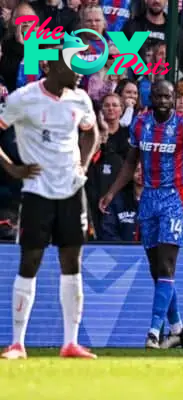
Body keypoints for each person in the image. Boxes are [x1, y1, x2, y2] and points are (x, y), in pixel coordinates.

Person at [99, 80, 183, 349]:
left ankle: (153, 331)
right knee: (157, 269)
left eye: (168, 97)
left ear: (174, 98)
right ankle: (176, 327)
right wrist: (112, 192)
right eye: (158, 97)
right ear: (150, 98)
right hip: (149, 198)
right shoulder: (141, 124)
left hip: (175, 197)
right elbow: (131, 162)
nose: (163, 101)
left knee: (166, 265)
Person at [0, 44, 100, 359]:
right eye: (72, 66)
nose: (78, 72)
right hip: (37, 191)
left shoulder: (80, 98)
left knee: (72, 263)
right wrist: (12, 167)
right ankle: (17, 343)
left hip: (72, 190)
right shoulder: (23, 98)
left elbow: (91, 132)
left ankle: (70, 343)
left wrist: (82, 165)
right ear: (51, 67)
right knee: (30, 261)